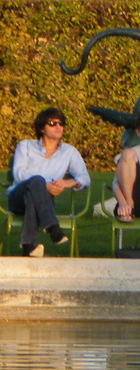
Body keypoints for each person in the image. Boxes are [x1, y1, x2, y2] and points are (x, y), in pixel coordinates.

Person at [7, 106, 90, 258]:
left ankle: (29, 246)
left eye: (61, 123)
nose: (58, 127)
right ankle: (52, 226)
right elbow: (19, 174)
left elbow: (84, 178)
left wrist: (67, 183)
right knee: (37, 181)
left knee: (34, 197)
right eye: (52, 123)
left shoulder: (69, 152)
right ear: (41, 128)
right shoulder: (25, 145)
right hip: (18, 197)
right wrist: (43, 185)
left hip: (43, 201)